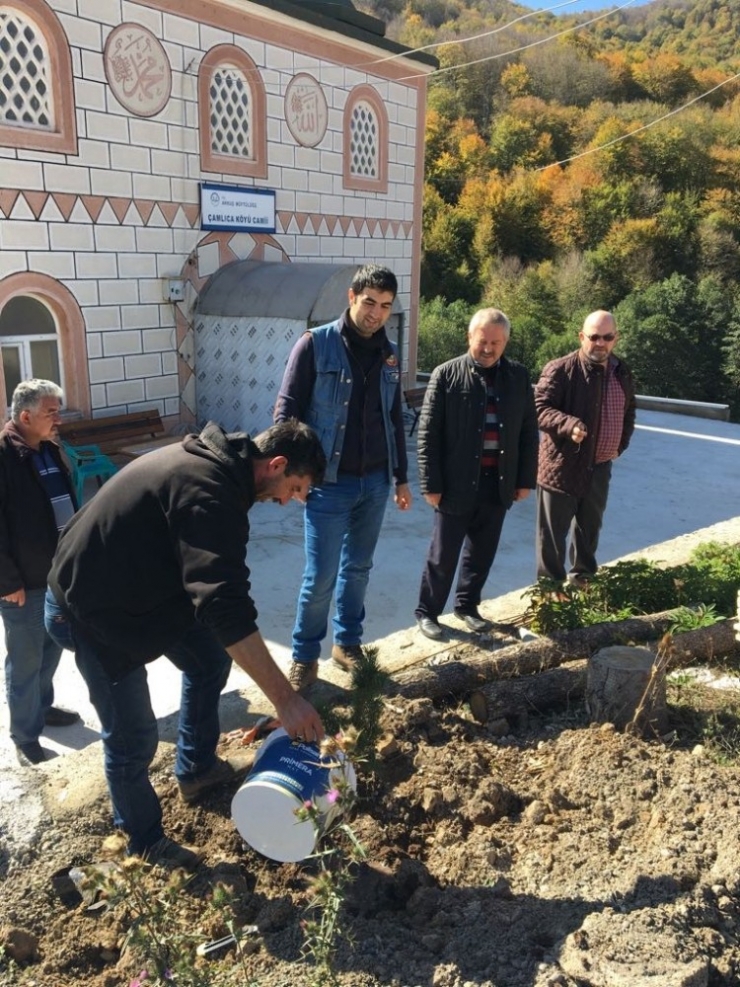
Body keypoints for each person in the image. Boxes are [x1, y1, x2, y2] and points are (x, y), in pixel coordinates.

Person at [45, 419, 327, 869]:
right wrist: (286, 700)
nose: (289, 501)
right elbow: (225, 605)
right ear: (275, 464)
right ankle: (144, 841)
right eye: (294, 488)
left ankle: (195, 770)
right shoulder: (208, 489)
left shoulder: (222, 472)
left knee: (208, 659)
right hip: (91, 609)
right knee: (133, 737)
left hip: (141, 592)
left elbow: (213, 581)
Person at [274, 264, 412, 692]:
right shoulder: (315, 345)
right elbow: (286, 414)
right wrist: (294, 475)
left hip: (374, 482)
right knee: (320, 576)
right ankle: (304, 656)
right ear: (351, 297)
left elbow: (394, 417)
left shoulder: (388, 354)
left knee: (359, 568)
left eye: (385, 306)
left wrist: (401, 478)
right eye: (369, 302)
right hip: (327, 483)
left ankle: (347, 644)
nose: (376, 314)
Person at [414, 309, 539, 640]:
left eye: (496, 342)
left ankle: (467, 607)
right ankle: (428, 612)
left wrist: (525, 479)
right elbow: (428, 433)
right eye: (482, 341)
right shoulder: (446, 375)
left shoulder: (518, 377)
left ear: (505, 341)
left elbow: (528, 430)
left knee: (481, 552)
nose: (488, 348)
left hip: (498, 483)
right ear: (470, 338)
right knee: (443, 554)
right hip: (455, 483)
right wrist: (430, 483)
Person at [0, 379, 80, 767]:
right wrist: (7, 580)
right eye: (52, 413)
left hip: (57, 577)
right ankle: (25, 734)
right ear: (26, 415)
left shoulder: (47, 449)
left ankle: (42, 709)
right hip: (24, 583)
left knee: (50, 651)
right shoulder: (4, 456)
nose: (58, 419)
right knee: (26, 659)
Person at [535, 310, 636, 587]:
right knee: (552, 536)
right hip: (562, 466)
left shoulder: (622, 371)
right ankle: (550, 590)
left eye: (607, 337)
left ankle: (583, 580)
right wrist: (568, 424)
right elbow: (539, 408)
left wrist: (620, 444)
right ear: (582, 337)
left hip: (601, 466)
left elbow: (629, 412)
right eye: (593, 337)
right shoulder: (560, 369)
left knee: (589, 529)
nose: (600, 343)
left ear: (616, 338)